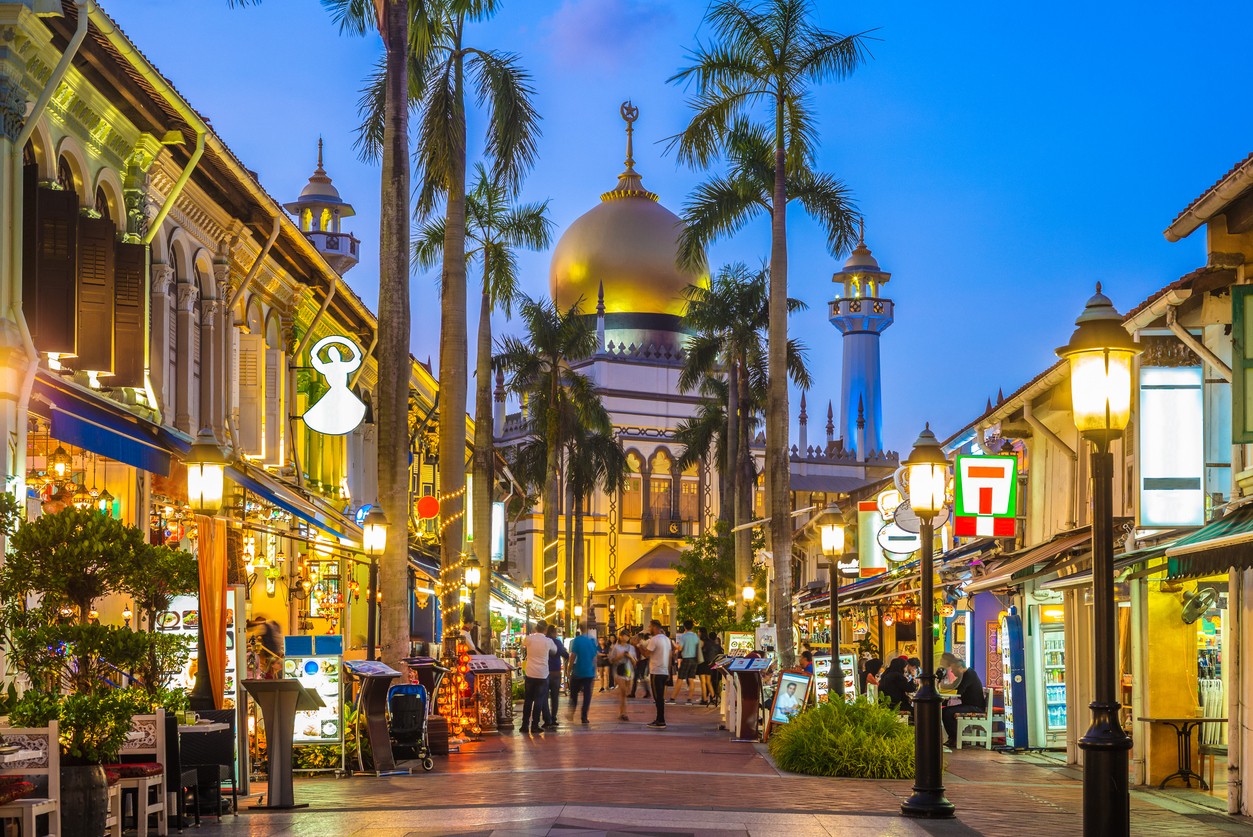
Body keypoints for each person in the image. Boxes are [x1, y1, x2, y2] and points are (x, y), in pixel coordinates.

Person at [939, 652, 986, 749]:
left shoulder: (969, 674)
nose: (952, 671)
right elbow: (952, 687)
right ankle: (954, 738)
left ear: (960, 668)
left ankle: (956, 738)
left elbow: (959, 690)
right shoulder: (964, 675)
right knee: (946, 710)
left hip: (975, 707)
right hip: (968, 705)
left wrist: (947, 690)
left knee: (947, 712)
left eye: (953, 669)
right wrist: (940, 686)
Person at [521, 620, 552, 734]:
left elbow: (523, 644)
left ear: (535, 628)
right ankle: (535, 725)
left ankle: (524, 725)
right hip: (542, 674)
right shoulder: (548, 641)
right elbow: (554, 650)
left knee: (528, 700)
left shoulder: (529, 639)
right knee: (539, 700)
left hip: (530, 673)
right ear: (545, 629)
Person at [645, 619, 673, 729]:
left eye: (650, 627)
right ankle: (660, 719)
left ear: (655, 627)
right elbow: (670, 656)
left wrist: (639, 645)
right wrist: (669, 671)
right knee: (660, 697)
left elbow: (647, 654)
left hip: (656, 671)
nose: (649, 629)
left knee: (658, 697)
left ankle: (660, 720)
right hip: (665, 670)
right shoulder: (667, 639)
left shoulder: (654, 639)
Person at [568, 627, 598, 724]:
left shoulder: (577, 640)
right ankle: (584, 717)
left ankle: (572, 712)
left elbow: (573, 656)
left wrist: (569, 669)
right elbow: (595, 657)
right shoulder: (592, 640)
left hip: (578, 671)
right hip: (589, 671)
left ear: (579, 629)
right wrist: (595, 671)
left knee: (574, 693)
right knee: (587, 695)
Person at [608, 630, 637, 721]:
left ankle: (622, 712)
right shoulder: (616, 647)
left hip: (629, 671)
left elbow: (635, 662)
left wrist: (630, 656)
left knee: (627, 692)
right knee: (623, 691)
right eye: (624, 635)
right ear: (620, 636)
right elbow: (611, 660)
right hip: (619, 671)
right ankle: (623, 713)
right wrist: (620, 656)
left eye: (627, 636)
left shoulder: (631, 648)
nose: (626, 637)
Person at [669, 619, 700, 704]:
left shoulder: (684, 636)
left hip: (686, 659)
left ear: (684, 627)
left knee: (680, 679)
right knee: (691, 679)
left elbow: (680, 648)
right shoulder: (695, 636)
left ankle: (673, 698)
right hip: (694, 659)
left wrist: (675, 645)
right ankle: (689, 699)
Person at [545, 624, 568, 728]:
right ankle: (553, 718)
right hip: (555, 672)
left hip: (544, 673)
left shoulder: (544, 641)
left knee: (544, 697)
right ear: (554, 633)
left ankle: (546, 719)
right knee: (554, 697)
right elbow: (565, 654)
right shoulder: (557, 642)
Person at [697, 627, 716, 705]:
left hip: (702, 663)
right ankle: (713, 697)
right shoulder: (711, 642)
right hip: (709, 663)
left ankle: (704, 699)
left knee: (703, 682)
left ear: (701, 633)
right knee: (708, 682)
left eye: (698, 632)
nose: (698, 633)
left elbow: (698, 652)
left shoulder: (701, 642)